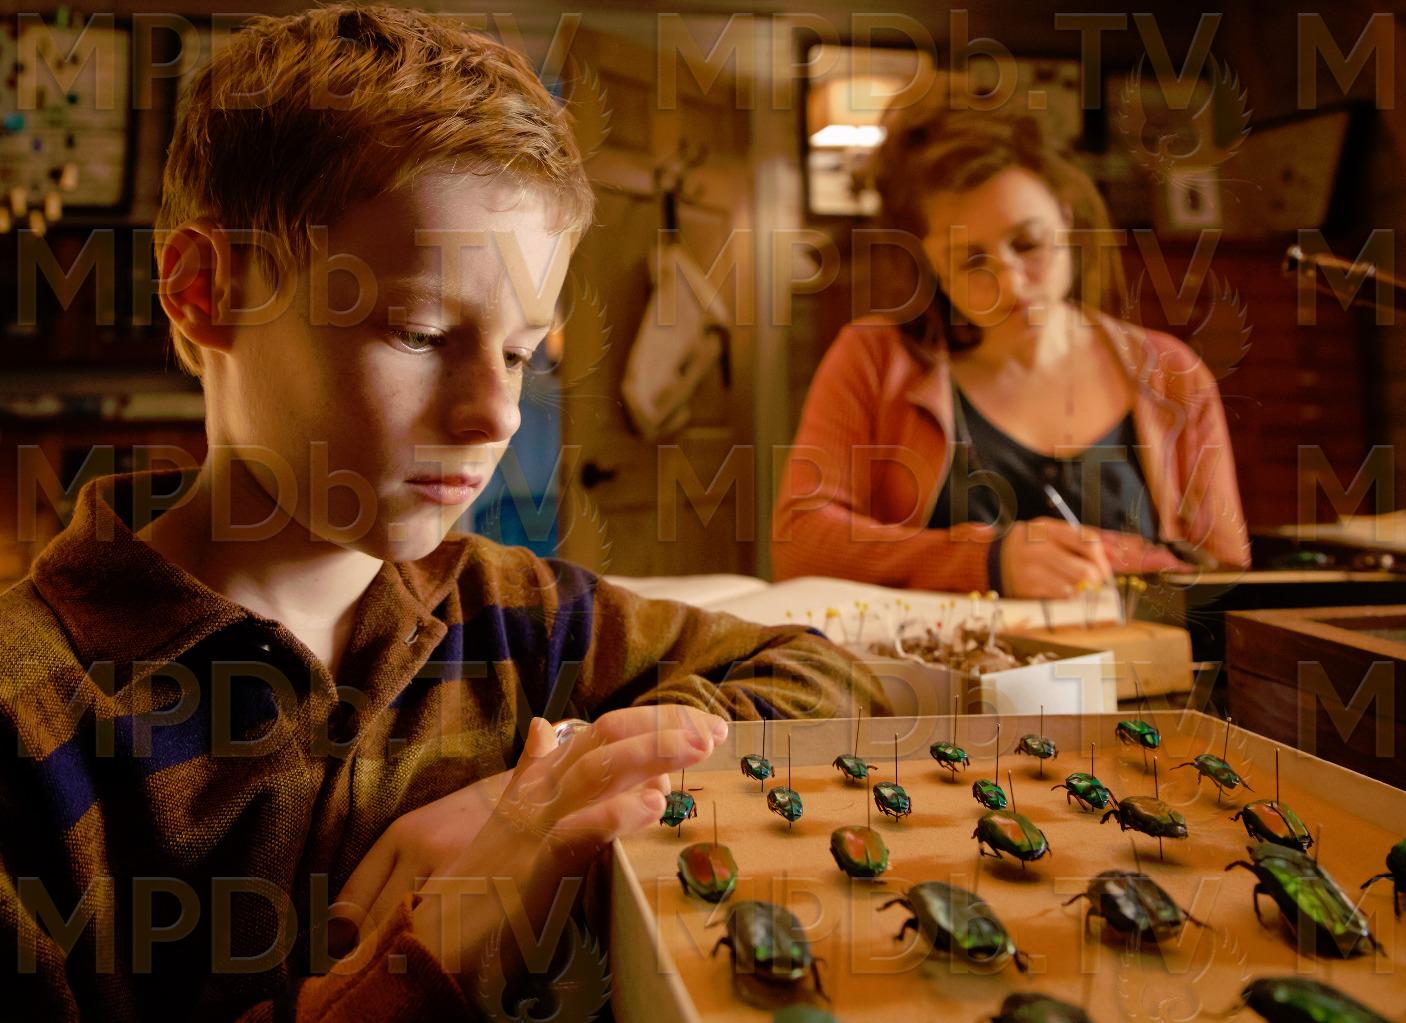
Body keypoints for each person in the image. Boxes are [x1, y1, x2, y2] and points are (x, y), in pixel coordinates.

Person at [0, 8, 879, 1020]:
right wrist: (432, 955)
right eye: (419, 334)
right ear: (206, 291)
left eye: (519, 353)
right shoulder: (32, 726)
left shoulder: (514, 612)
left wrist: (536, 792)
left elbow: (826, 678)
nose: (495, 414)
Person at [772, 88, 1250, 598]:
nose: (1012, 283)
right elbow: (800, 543)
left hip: (1133, 652)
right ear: (933, 265)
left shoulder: (1171, 372)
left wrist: (1118, 562)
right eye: (971, 261)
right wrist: (988, 561)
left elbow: (1225, 581)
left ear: (1066, 219)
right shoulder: (874, 359)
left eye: (1028, 243)